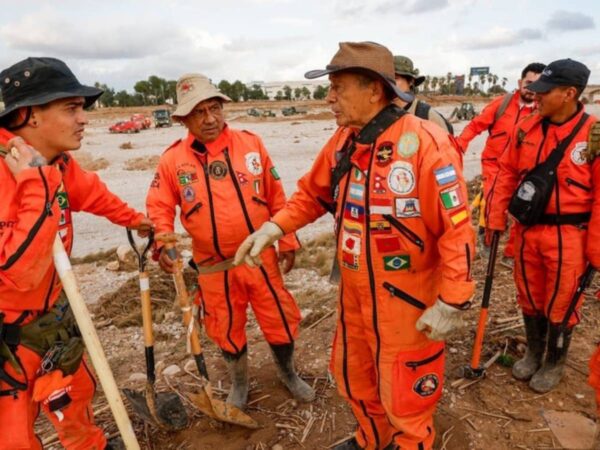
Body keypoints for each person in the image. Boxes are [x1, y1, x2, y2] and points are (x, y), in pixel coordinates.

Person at [235, 41, 475, 450]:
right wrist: (274, 228)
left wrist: (452, 299)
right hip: (355, 294)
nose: (329, 98)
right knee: (355, 375)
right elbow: (312, 195)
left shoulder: (426, 144)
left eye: (338, 88)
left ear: (374, 90)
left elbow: (457, 228)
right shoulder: (345, 141)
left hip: (408, 300)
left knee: (405, 390)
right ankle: (371, 440)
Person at [0, 57, 152, 450]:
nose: (84, 118)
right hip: (9, 339)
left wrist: (140, 222)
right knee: (14, 437)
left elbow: (94, 195)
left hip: (54, 318)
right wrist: (36, 185)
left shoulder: (59, 164)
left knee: (74, 398)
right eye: (72, 107)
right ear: (30, 115)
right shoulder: (8, 175)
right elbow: (20, 273)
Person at [146, 74, 314, 409]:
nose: (209, 118)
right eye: (199, 112)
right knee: (224, 327)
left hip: (260, 258)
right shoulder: (172, 161)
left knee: (279, 319)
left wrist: (288, 239)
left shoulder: (251, 144)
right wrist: (163, 243)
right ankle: (239, 382)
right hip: (214, 267)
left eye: (214, 108)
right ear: (183, 118)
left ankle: (288, 373)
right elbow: (159, 207)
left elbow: (277, 197)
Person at [487, 59, 598, 393]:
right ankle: (535, 352)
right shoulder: (527, 127)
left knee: (562, 302)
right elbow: (506, 172)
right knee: (529, 296)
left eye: (544, 93)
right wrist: (494, 220)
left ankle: (554, 361)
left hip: (569, 235)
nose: (536, 98)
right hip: (527, 231)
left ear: (569, 94)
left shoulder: (592, 136)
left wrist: (595, 248)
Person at [457, 63, 546, 265]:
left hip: (525, 169)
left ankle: (510, 254)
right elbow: (475, 125)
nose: (532, 88)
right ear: (520, 83)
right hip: (494, 166)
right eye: (528, 83)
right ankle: (489, 242)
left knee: (522, 208)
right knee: (494, 206)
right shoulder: (501, 104)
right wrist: (458, 146)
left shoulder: (544, 113)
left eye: (538, 84)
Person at [393, 55, 453, 134]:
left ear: (411, 81)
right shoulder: (382, 113)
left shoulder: (426, 114)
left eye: (396, 78)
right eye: (388, 78)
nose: (391, 83)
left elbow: (447, 144)